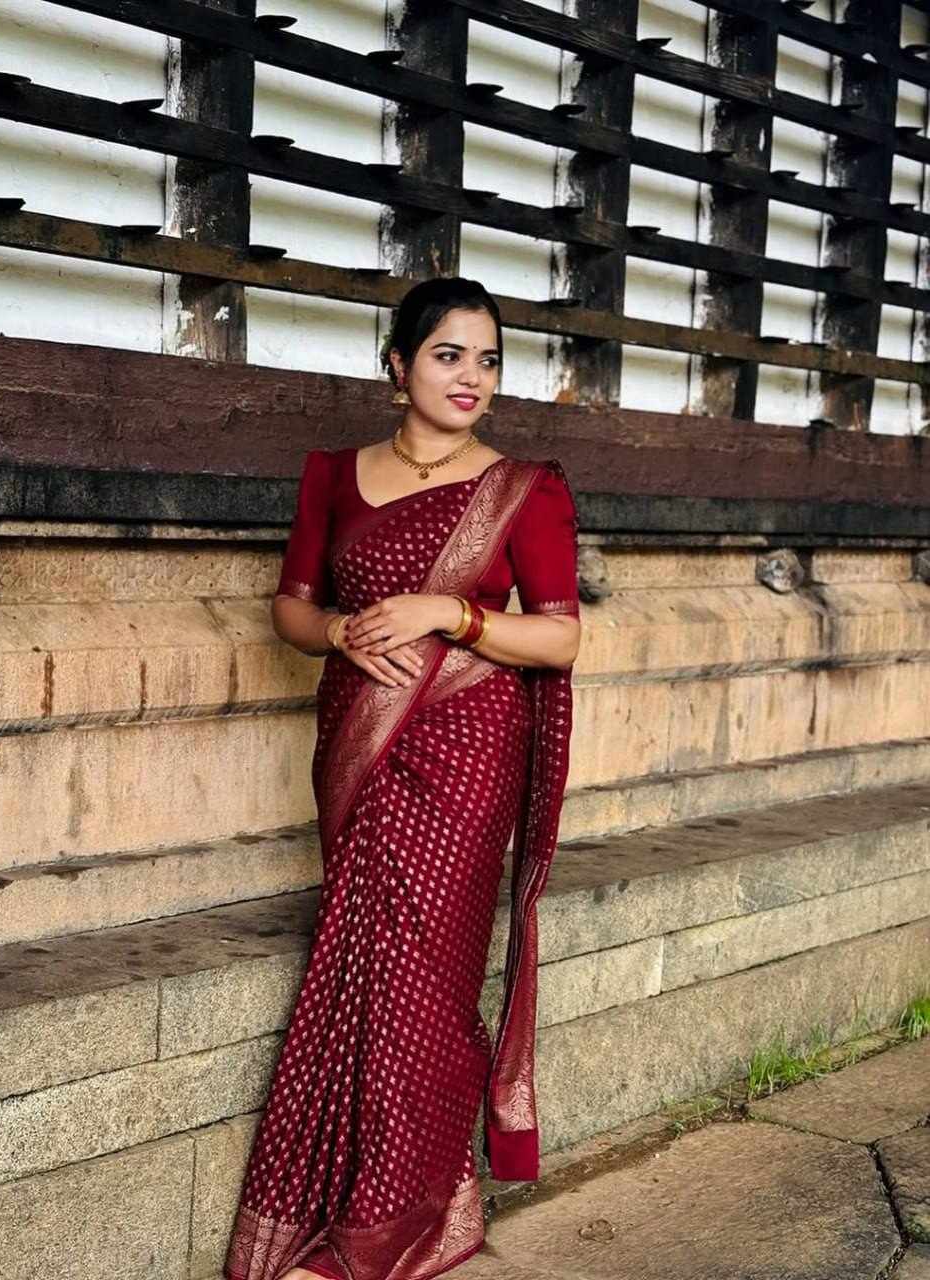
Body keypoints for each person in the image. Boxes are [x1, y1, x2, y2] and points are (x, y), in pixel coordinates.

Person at [224, 276, 582, 1280]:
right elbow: (292, 609)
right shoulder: (332, 475)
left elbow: (559, 637)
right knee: (361, 967)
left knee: (425, 980)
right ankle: (348, 1203)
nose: (472, 376)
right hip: (357, 746)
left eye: (488, 359)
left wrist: (447, 613)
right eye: (448, 355)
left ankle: (392, 1227)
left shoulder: (523, 489)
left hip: (465, 754)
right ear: (397, 366)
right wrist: (340, 627)